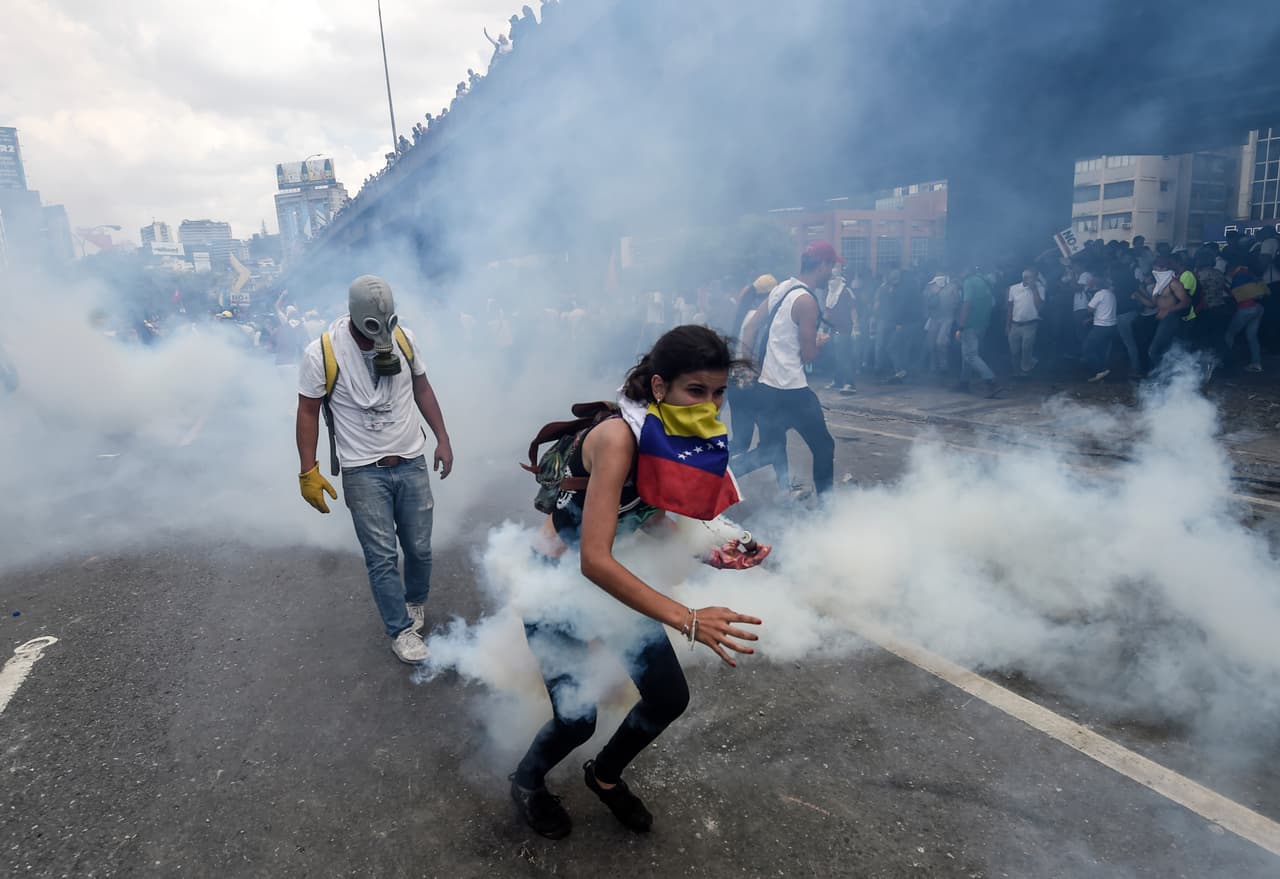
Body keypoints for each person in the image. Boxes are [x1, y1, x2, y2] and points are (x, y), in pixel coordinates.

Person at [510, 326, 763, 839]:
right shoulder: (618, 438)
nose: (709, 405)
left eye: (719, 393)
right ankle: (526, 781)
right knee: (577, 719)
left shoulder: (668, 432)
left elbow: (646, 513)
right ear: (659, 387)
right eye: (696, 390)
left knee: (668, 697)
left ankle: (604, 776)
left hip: (614, 579)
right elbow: (593, 561)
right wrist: (689, 619)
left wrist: (709, 554)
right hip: (556, 587)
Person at [295, 276, 455, 664]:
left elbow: (422, 389)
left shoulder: (404, 340)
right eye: (371, 328)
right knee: (382, 556)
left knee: (419, 548)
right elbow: (307, 411)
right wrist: (307, 470)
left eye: (386, 324)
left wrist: (443, 438)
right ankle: (400, 630)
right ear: (353, 316)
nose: (379, 337)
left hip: (411, 460)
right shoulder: (321, 353)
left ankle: (414, 601)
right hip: (363, 470)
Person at [734, 241, 839, 497]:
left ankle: (722, 473)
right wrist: (820, 342)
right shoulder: (806, 301)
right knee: (824, 447)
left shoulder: (782, 288)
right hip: (792, 391)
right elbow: (809, 355)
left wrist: (747, 368)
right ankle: (827, 509)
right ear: (822, 265)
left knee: (768, 450)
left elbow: (750, 328)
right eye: (831, 267)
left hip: (766, 389)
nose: (832, 273)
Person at [952, 268, 1000, 397]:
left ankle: (991, 380)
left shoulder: (969, 282)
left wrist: (961, 326)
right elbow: (992, 303)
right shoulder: (984, 281)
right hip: (982, 324)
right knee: (967, 354)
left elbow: (966, 304)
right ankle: (964, 383)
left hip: (970, 324)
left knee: (970, 355)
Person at [1147, 256, 1191, 370]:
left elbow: (1186, 302)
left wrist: (1167, 310)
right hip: (1161, 319)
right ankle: (1166, 374)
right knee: (1165, 350)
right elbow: (1153, 304)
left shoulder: (1174, 283)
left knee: (1154, 350)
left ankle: (1164, 373)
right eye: (1153, 268)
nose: (1154, 271)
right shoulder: (1158, 285)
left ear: (1164, 268)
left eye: (1156, 268)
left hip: (1171, 319)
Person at [823, 267, 858, 393]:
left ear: (839, 278)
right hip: (833, 330)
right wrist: (821, 327)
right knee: (835, 356)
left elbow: (853, 310)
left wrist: (855, 326)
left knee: (843, 356)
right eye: (830, 278)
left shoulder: (846, 292)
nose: (831, 281)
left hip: (844, 329)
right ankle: (837, 381)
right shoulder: (830, 293)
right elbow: (827, 312)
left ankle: (850, 383)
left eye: (833, 278)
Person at [1005, 268, 1043, 377]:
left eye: (1029, 277)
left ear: (1035, 278)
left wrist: (1034, 289)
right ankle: (1016, 373)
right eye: (1025, 277)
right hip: (1015, 324)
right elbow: (1010, 308)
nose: (1027, 279)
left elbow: (1040, 306)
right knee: (1014, 351)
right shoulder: (1014, 288)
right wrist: (1007, 325)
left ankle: (1026, 370)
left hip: (1030, 324)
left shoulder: (1040, 288)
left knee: (1026, 349)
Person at [1083, 279, 1117, 382]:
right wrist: (1091, 319)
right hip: (1111, 327)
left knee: (1087, 348)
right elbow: (1104, 311)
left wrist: (1090, 297)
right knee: (1101, 350)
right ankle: (1103, 374)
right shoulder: (1111, 294)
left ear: (1097, 286)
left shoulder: (1100, 294)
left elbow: (1089, 308)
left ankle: (1100, 370)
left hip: (1101, 327)